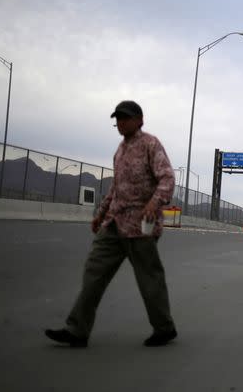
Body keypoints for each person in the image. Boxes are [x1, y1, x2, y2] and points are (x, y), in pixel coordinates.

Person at [45, 100, 177, 347]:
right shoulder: (120, 151)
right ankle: (77, 330)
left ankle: (164, 327)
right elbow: (116, 188)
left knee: (149, 279)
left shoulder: (150, 144)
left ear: (139, 120)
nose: (121, 122)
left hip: (141, 226)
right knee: (94, 272)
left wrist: (153, 204)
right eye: (117, 118)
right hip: (115, 223)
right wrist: (101, 213)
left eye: (126, 117)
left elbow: (167, 178)